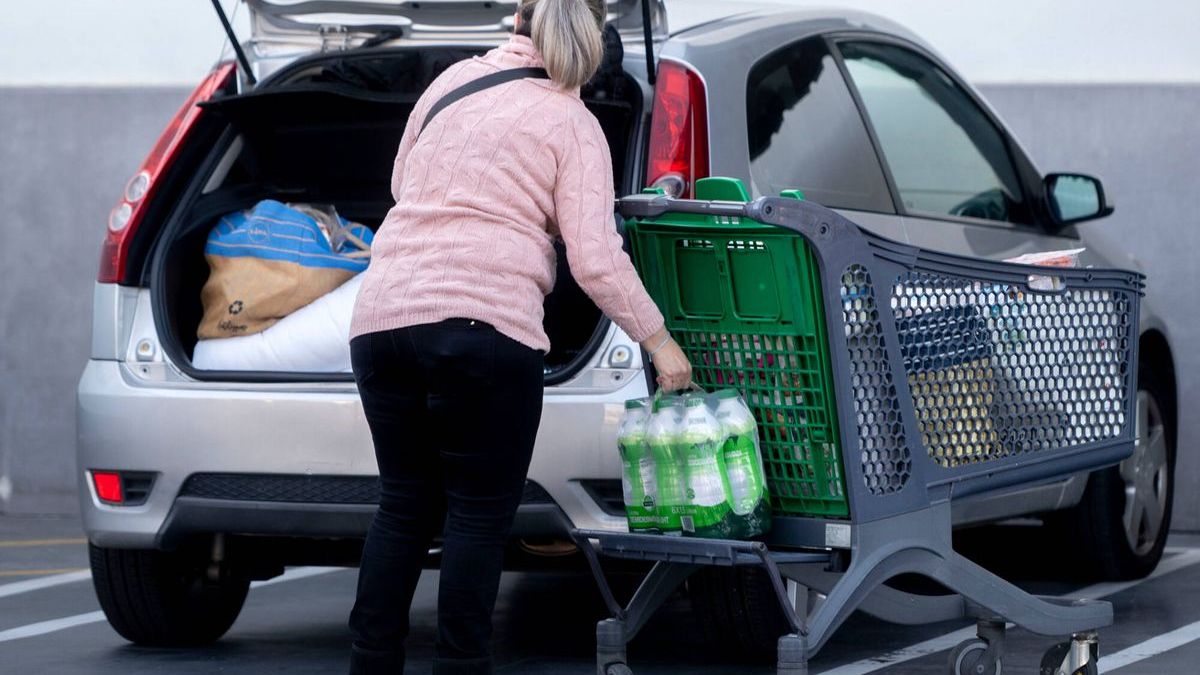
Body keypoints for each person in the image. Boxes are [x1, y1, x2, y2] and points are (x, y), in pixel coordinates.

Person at [345, 0, 693, 672]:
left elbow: (400, 184)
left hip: (382, 321)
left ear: (515, 21)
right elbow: (593, 259)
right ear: (595, 42)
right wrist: (660, 341)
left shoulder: (449, 83)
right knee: (476, 515)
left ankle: (370, 662)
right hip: (484, 330)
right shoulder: (574, 122)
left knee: (404, 503)